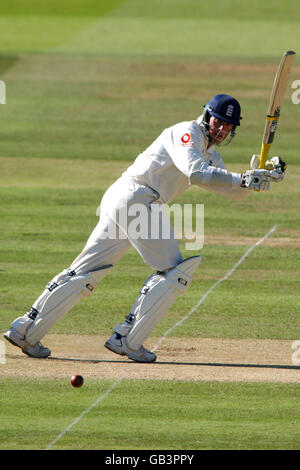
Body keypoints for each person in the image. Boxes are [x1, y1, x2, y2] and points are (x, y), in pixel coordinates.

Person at [4, 94, 286, 362]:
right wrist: (243, 179)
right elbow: (196, 173)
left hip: (126, 200)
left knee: (86, 271)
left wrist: (259, 179)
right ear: (206, 116)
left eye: (228, 126)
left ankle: (25, 330)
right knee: (175, 272)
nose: (222, 129)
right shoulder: (187, 133)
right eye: (218, 122)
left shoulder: (209, 152)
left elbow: (232, 190)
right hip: (138, 200)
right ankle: (127, 339)